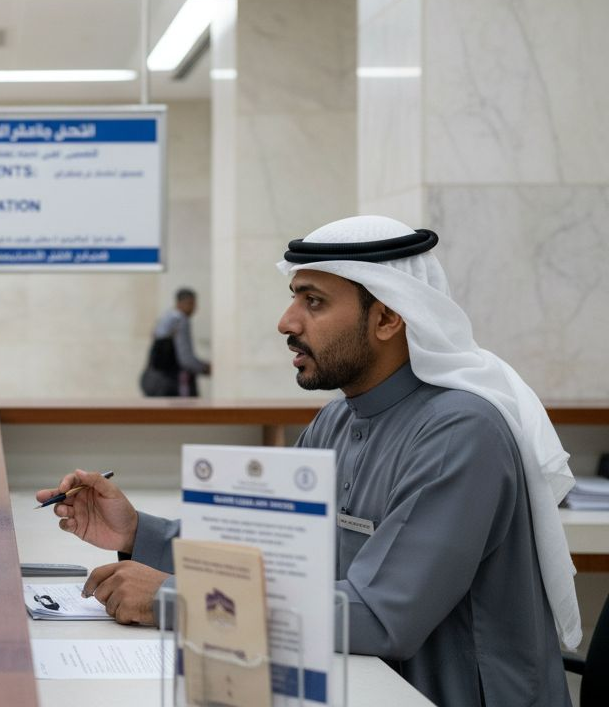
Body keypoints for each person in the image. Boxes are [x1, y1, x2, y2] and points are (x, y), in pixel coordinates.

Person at [38, 216, 580, 707]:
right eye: (294, 298)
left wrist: (174, 600)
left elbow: (379, 616)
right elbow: (268, 551)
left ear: (388, 318)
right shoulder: (337, 420)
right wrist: (137, 531)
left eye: (313, 302)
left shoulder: (461, 431)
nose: (286, 322)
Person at [140, 287, 210, 396]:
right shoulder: (180, 320)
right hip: (174, 381)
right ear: (181, 303)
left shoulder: (165, 318)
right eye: (191, 304)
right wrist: (204, 368)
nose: (194, 308)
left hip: (156, 380)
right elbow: (185, 359)